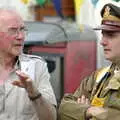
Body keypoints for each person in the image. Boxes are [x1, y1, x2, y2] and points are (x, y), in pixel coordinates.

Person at [58, 3, 120, 120]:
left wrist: (99, 114)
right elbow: (63, 108)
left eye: (111, 35)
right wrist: (90, 110)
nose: (102, 42)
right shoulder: (98, 77)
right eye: (103, 35)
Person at [0, 7, 57, 120]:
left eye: (22, 29)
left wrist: (34, 93)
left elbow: (51, 118)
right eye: (13, 30)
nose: (21, 36)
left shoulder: (37, 66)